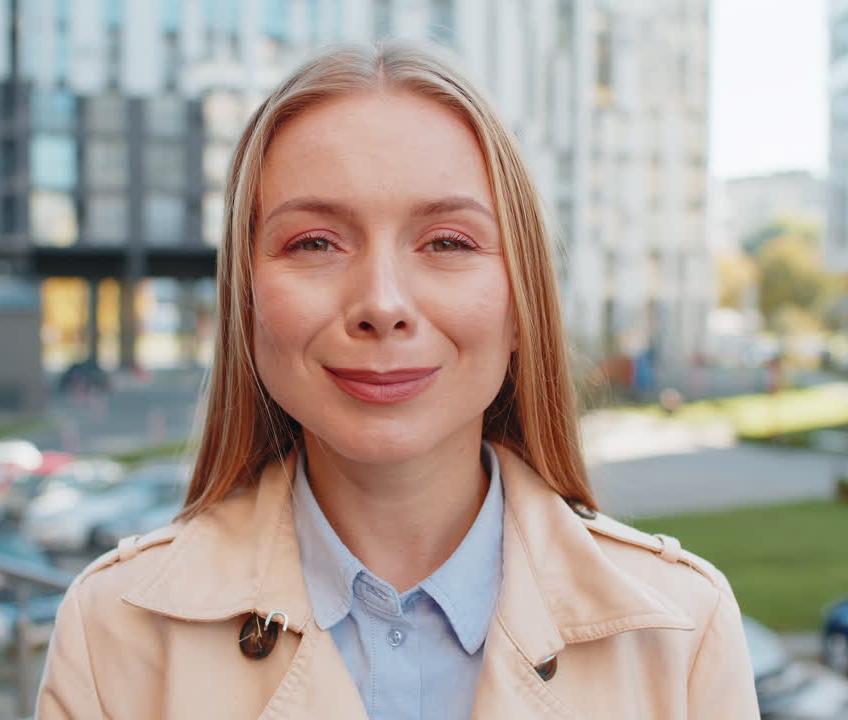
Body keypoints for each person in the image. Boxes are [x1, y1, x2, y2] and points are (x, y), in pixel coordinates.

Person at [37, 42, 758, 719]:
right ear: (246, 305)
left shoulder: (684, 633)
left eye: (447, 242)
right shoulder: (112, 632)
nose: (382, 304)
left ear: (521, 307)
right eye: (314, 242)